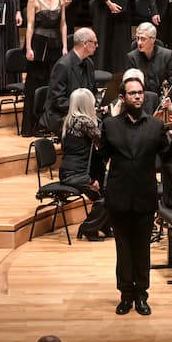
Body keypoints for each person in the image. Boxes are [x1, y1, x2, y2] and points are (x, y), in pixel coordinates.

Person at [102, 76, 172, 316]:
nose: (137, 96)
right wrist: (94, 181)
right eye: (132, 93)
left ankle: (142, 295)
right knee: (123, 249)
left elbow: (168, 157)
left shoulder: (155, 126)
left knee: (142, 248)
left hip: (144, 196)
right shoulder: (110, 125)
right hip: (119, 196)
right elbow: (101, 157)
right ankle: (125, 295)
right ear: (122, 98)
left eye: (140, 93)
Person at [22, 0, 67, 136]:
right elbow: (30, 26)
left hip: (55, 46)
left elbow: (63, 24)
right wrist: (28, 48)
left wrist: (65, 47)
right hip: (39, 47)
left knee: (53, 85)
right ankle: (33, 126)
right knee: (36, 86)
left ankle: (50, 124)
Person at [61, 88, 110, 241]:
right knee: (108, 198)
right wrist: (110, 115)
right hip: (76, 175)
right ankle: (88, 228)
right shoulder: (84, 122)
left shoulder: (69, 120)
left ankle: (103, 226)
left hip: (71, 171)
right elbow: (102, 140)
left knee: (110, 191)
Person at [40, 27, 98, 135]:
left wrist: (97, 105)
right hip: (60, 114)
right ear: (85, 43)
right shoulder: (63, 65)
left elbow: (93, 91)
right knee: (86, 127)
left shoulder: (89, 63)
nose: (97, 46)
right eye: (95, 42)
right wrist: (82, 109)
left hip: (82, 113)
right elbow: (57, 100)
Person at [125, 22, 172, 98]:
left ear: (153, 39)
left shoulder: (166, 55)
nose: (139, 42)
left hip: (162, 97)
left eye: (143, 39)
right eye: (137, 38)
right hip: (142, 98)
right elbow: (130, 84)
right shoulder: (132, 57)